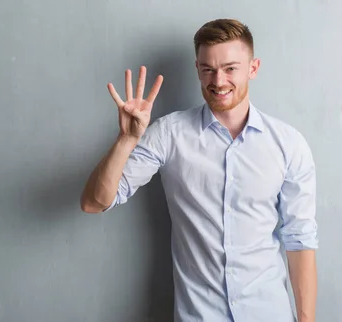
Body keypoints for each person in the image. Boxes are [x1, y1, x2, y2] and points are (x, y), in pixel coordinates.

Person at [80, 18, 318, 322]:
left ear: (253, 68)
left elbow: (300, 240)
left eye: (231, 68)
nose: (218, 81)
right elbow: (94, 202)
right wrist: (126, 140)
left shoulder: (289, 144)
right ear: (197, 69)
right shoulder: (169, 134)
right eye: (208, 69)